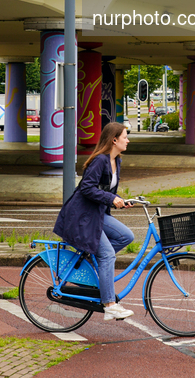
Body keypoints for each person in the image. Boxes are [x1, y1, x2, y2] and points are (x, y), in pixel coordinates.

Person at [54, 121, 135, 321]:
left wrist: (120, 201)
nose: (128, 140)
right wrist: (111, 199)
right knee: (107, 254)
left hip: (97, 213)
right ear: (114, 140)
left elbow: (105, 192)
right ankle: (109, 304)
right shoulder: (100, 160)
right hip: (83, 215)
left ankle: (90, 262)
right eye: (125, 136)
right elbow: (87, 188)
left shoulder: (117, 161)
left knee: (126, 236)